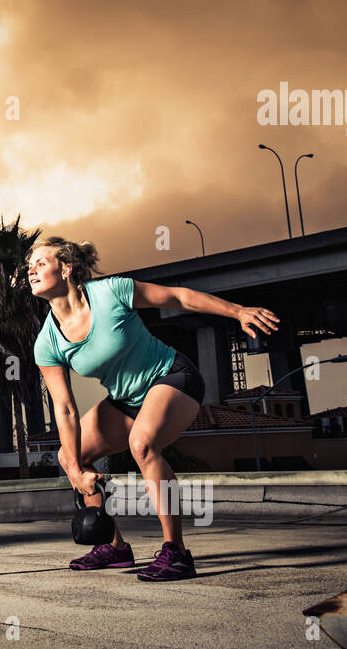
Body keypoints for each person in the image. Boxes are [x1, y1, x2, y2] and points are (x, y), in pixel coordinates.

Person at [30, 236, 279, 580]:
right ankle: (114, 547)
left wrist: (238, 312)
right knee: (69, 455)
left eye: (41, 262)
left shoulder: (111, 292)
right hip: (127, 400)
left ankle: (176, 552)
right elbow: (65, 408)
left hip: (173, 376)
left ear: (67, 269)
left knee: (142, 444)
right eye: (30, 264)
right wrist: (75, 471)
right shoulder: (47, 342)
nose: (31, 269)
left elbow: (177, 296)